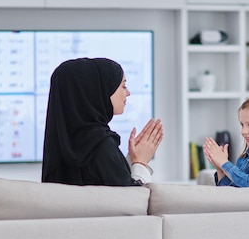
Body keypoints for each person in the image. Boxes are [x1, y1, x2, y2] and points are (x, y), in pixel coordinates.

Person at [42, 57, 163, 186]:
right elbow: (132, 200)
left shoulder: (61, 143)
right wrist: (140, 163)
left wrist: (129, 161)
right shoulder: (100, 145)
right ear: (97, 90)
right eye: (123, 86)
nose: (128, 93)